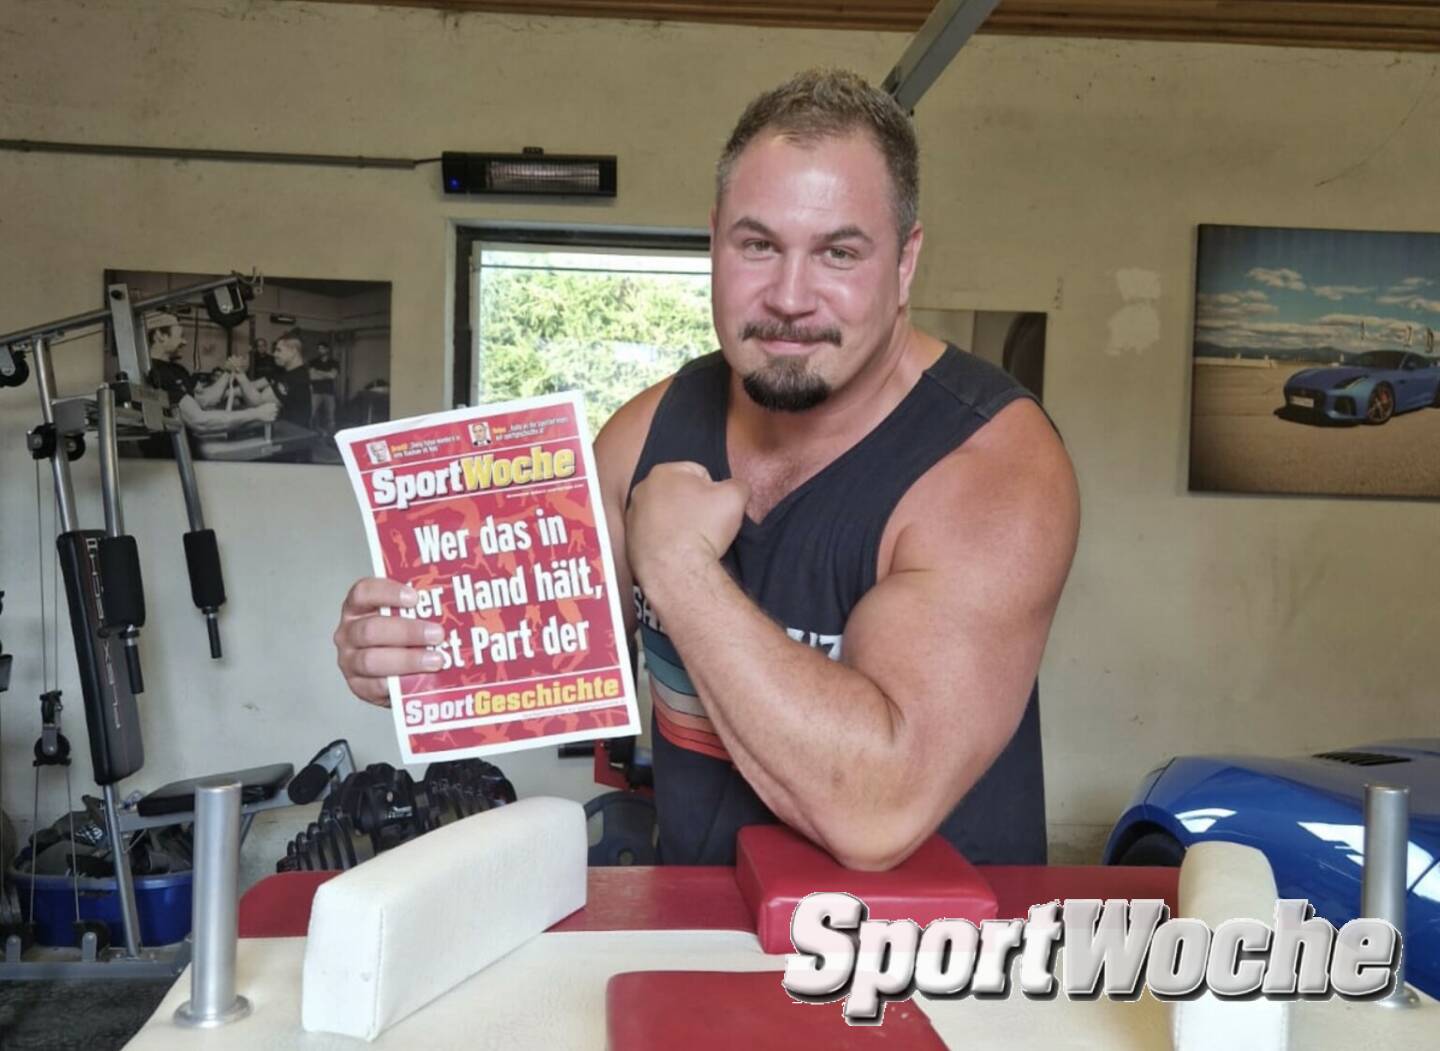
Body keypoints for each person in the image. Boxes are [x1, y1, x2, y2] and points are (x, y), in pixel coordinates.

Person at [334, 69, 1079, 870]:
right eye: (758, 245)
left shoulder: (993, 464)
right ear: (716, 238)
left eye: (839, 252)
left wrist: (680, 567)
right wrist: (403, 655)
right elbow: (523, 645)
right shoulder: (649, 430)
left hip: (922, 973)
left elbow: (879, 806)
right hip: (696, 938)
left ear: (904, 263)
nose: (790, 297)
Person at [144, 312, 277, 437]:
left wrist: (228, 372)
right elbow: (198, 421)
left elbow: (205, 400)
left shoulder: (177, 369)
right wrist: (257, 414)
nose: (185, 342)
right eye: (180, 336)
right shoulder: (156, 372)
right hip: (169, 455)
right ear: (159, 336)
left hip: (188, 447)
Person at [309, 341, 340, 434]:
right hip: (316, 391)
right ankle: (311, 432)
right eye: (318, 348)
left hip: (329, 392)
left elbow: (333, 376)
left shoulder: (334, 362)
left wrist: (317, 372)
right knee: (312, 413)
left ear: (327, 349)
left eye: (322, 348)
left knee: (330, 415)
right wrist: (327, 374)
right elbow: (311, 376)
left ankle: (331, 435)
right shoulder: (313, 362)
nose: (320, 350)